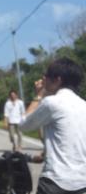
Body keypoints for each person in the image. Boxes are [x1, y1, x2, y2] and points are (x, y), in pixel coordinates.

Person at [20, 57, 86, 194]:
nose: (44, 79)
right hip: (81, 182)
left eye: (47, 76)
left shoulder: (52, 103)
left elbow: (24, 125)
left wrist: (39, 95)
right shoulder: (83, 105)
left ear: (58, 80)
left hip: (56, 182)